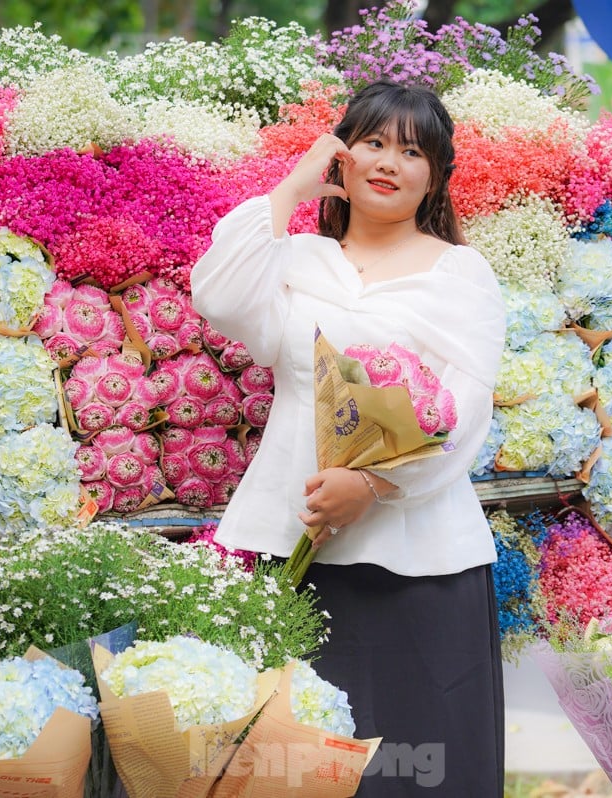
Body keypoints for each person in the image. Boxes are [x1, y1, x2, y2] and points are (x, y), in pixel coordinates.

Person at [191, 82, 506, 796]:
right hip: (293, 543)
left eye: (412, 150)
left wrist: (373, 486)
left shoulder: (460, 275)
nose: (389, 162)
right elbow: (216, 295)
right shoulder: (297, 259)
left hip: (420, 564)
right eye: (373, 143)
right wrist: (293, 188)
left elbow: (466, 409)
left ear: (437, 176)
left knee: (419, 770)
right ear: (343, 155)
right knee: (289, 769)